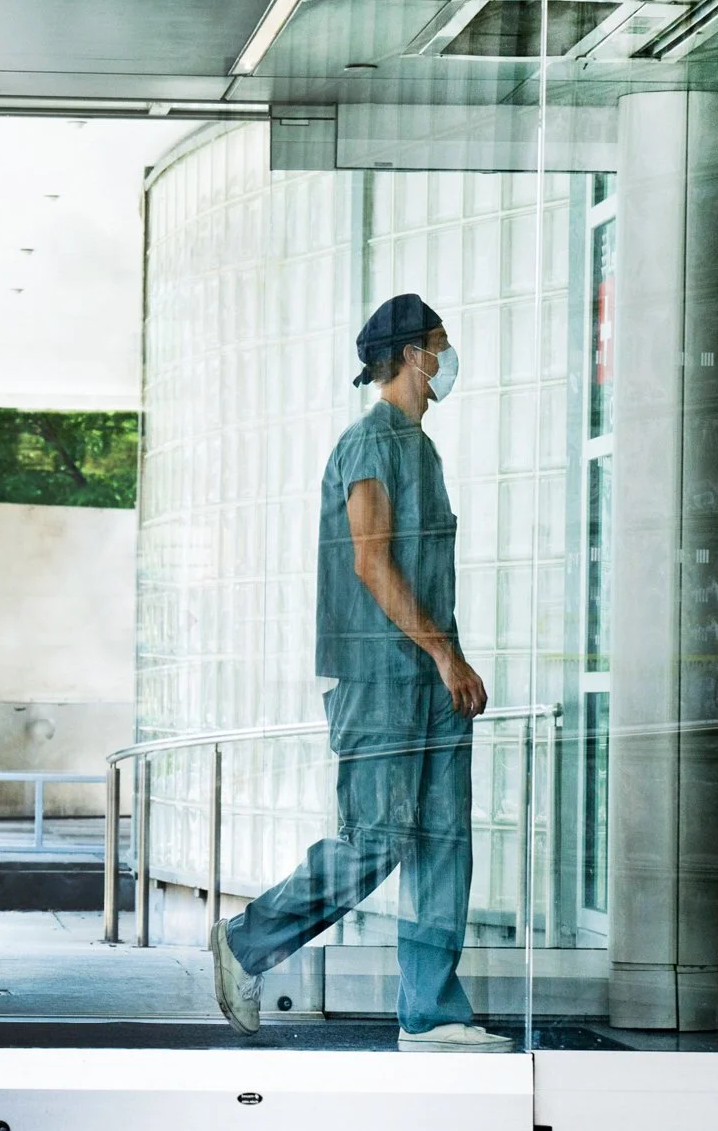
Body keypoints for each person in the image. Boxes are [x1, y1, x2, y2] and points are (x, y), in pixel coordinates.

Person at [210, 293, 509, 1053]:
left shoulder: (423, 448)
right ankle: (248, 941)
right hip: (382, 680)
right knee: (375, 838)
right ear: (411, 354)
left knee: (446, 840)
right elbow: (371, 562)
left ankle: (432, 1010)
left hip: (434, 681)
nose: (447, 359)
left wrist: (445, 662)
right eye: (440, 345)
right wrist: (445, 653)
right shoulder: (368, 444)